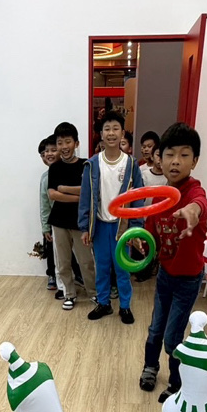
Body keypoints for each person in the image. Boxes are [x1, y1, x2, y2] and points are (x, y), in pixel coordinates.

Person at [137, 122, 207, 403]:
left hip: (188, 279)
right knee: (155, 327)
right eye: (169, 154)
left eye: (184, 155)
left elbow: (201, 204)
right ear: (159, 158)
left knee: (172, 335)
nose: (175, 161)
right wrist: (140, 243)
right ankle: (150, 367)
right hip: (165, 275)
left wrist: (193, 210)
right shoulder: (160, 196)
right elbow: (151, 236)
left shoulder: (194, 193)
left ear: (195, 161)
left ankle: (177, 383)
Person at [78, 111, 144, 325]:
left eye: (116, 128)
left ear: (122, 133)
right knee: (102, 268)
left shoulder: (131, 164)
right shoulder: (92, 164)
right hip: (99, 225)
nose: (111, 133)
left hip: (121, 226)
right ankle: (104, 303)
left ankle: (125, 306)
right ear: (101, 134)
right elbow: (85, 197)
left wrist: (135, 228)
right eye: (107, 129)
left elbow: (138, 198)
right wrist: (84, 227)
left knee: (123, 269)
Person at [47, 121, 96, 311]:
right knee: (63, 262)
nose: (64, 146)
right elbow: (53, 194)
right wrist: (79, 197)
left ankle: (93, 293)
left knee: (86, 261)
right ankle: (69, 294)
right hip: (59, 222)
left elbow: (89, 191)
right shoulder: (54, 168)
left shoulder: (86, 165)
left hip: (80, 222)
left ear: (76, 143)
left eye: (68, 141)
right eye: (60, 143)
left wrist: (64, 188)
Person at [133, 142, 168, 281]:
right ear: (152, 156)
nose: (160, 159)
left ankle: (153, 266)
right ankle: (141, 269)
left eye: (164, 156)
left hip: (161, 218)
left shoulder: (168, 177)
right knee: (142, 245)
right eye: (158, 155)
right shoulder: (144, 174)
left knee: (156, 244)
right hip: (144, 216)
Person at [38, 135, 58, 290]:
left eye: (53, 150)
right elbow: (44, 205)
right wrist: (45, 227)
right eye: (45, 152)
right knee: (50, 248)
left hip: (71, 220)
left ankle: (77, 275)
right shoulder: (45, 178)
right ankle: (52, 274)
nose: (49, 154)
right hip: (53, 220)